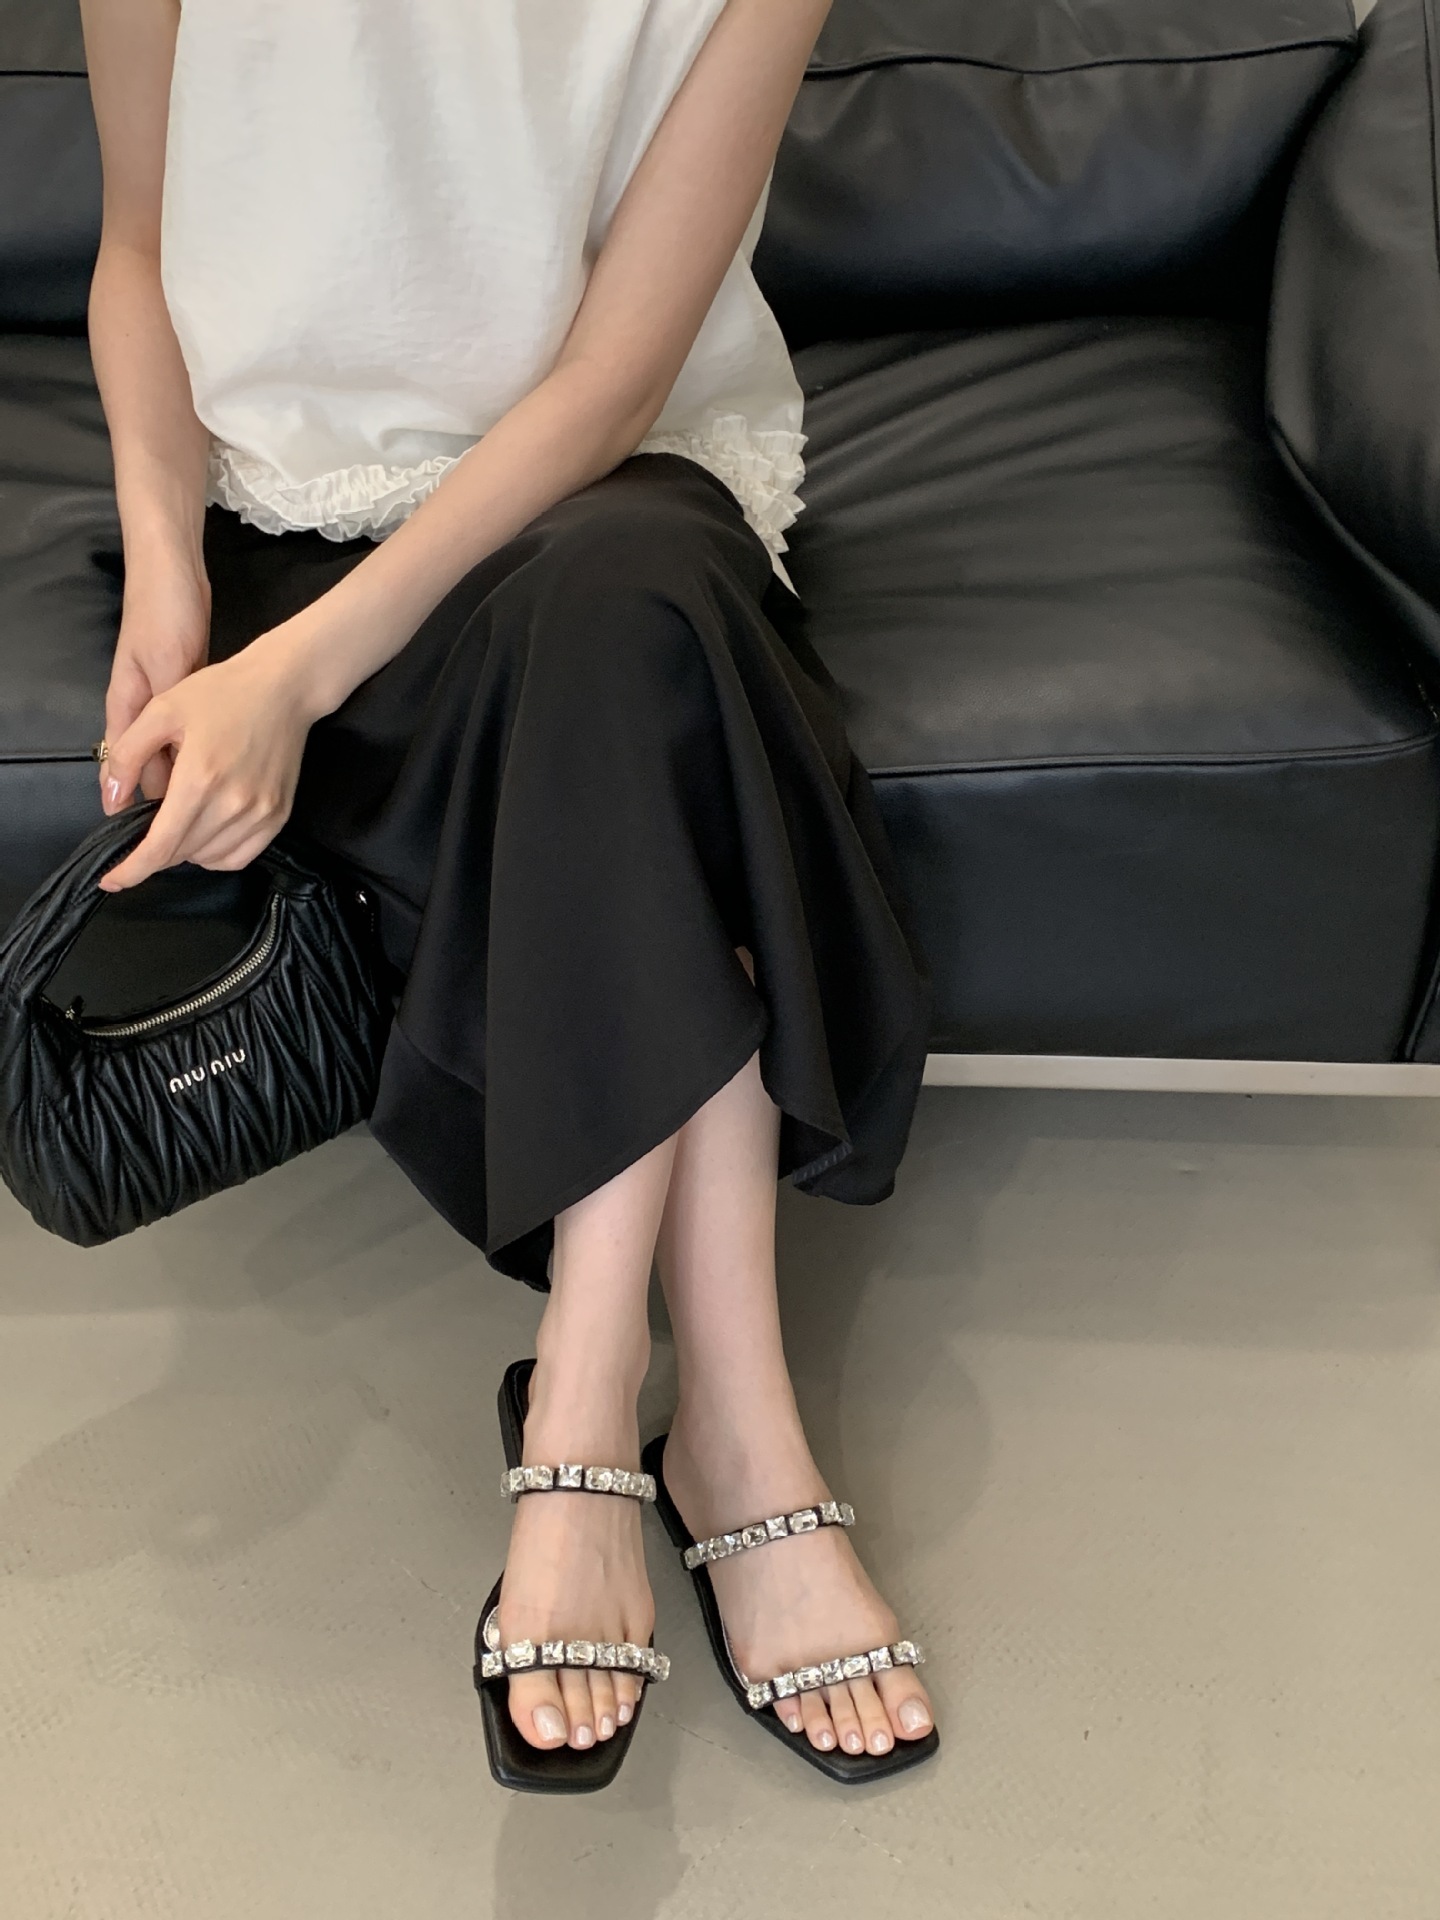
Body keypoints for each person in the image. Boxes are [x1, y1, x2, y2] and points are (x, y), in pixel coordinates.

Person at [81, 0, 938, 1789]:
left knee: (629, 619)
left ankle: (585, 1416)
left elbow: (616, 380)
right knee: (658, 715)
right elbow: (141, 247)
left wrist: (302, 676)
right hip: (285, 522)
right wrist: (171, 584)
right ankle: (735, 1437)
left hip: (610, 486)